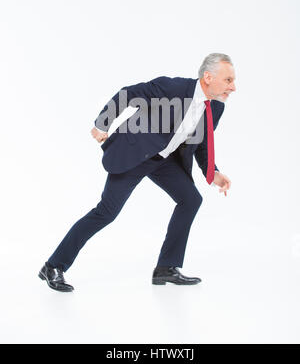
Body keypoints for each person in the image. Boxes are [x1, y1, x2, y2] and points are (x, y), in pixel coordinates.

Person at [38, 53, 236, 292]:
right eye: (228, 80)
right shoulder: (172, 87)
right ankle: (53, 266)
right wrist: (103, 123)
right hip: (135, 154)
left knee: (191, 199)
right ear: (208, 77)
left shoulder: (216, 106)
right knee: (106, 212)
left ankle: (166, 268)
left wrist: (213, 172)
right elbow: (128, 94)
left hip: (164, 160)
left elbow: (202, 144)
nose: (233, 87)